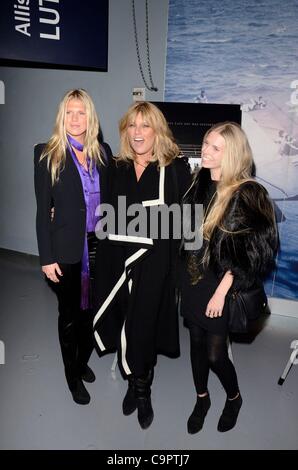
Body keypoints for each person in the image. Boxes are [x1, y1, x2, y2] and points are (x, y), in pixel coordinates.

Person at [93, 101, 191, 429]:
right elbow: (103, 213)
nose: (138, 133)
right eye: (132, 126)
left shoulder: (174, 168)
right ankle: (132, 376)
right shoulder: (116, 167)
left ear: (157, 130)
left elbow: (187, 223)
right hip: (119, 263)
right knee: (123, 321)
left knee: (145, 325)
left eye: (145, 126)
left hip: (155, 266)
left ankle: (141, 388)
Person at [180, 122, 278, 434]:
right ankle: (202, 398)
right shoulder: (200, 181)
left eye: (215, 147)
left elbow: (254, 254)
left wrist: (221, 291)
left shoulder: (248, 194)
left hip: (222, 286)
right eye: (206, 143)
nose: (205, 150)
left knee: (214, 352)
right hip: (194, 278)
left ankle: (233, 398)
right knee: (195, 342)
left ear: (232, 155)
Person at [34, 89, 112, 405]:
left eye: (81, 112)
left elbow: (115, 197)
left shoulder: (103, 152)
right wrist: (46, 256)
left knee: (92, 315)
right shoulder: (46, 154)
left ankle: (81, 362)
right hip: (65, 250)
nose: (76, 118)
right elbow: (42, 210)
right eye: (70, 112)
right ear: (61, 117)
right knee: (69, 316)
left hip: (100, 247)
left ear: (90, 116)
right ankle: (72, 376)